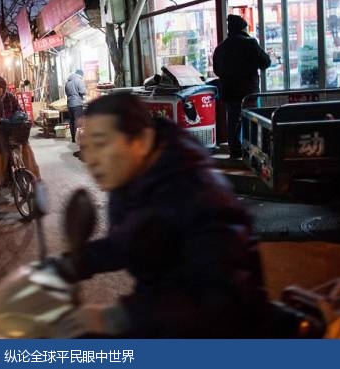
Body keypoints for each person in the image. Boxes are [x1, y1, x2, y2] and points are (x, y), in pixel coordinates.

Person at [55, 93, 269, 338]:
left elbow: (218, 302)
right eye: (87, 148)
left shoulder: (201, 195)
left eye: (101, 144)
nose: (91, 160)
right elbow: (132, 239)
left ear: (142, 140)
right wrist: (70, 264)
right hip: (159, 316)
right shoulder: (131, 181)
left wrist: (120, 316)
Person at [212, 14, 271, 159]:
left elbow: (217, 71)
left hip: (229, 91)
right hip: (248, 92)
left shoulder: (220, 48)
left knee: (233, 121)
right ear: (243, 28)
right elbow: (265, 63)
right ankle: (252, 151)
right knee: (252, 120)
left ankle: (235, 150)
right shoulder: (250, 43)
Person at [0, 76, 39, 188]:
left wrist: (20, 116)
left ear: (4, 88)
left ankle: (33, 175)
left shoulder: (10, 97)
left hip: (10, 129)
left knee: (24, 146)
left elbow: (18, 109)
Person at [65, 69, 86, 143]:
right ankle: (78, 139)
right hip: (77, 104)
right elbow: (82, 91)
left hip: (70, 104)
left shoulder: (68, 82)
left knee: (72, 121)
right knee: (78, 121)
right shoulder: (79, 80)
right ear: (81, 75)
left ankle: (73, 138)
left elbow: (67, 93)